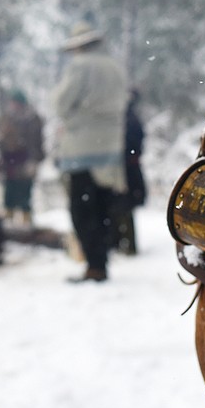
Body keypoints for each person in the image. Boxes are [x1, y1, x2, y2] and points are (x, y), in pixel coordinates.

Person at [51, 21, 128, 283]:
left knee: (82, 211)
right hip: (111, 146)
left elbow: (61, 103)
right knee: (104, 208)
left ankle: (94, 265)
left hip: (82, 147)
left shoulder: (80, 66)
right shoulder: (116, 68)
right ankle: (102, 261)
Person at [0, 89, 44, 225]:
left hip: (25, 160)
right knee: (9, 193)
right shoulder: (7, 118)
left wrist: (34, 161)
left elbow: (37, 142)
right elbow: (2, 143)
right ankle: (8, 224)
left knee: (24, 194)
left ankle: (26, 224)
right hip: (9, 161)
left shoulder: (32, 119)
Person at [111, 89, 147, 255]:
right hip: (125, 167)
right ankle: (122, 243)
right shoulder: (127, 118)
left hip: (126, 168)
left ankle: (127, 245)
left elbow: (134, 145)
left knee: (123, 207)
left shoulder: (128, 120)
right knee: (121, 207)